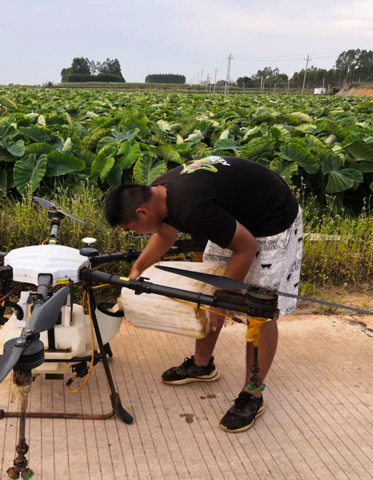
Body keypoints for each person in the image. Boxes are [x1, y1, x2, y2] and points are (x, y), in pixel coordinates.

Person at [104, 155, 303, 433]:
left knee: (259, 312)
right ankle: (202, 365)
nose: (133, 233)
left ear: (141, 212)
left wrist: (221, 303)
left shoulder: (193, 207)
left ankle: (253, 394)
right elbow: (165, 235)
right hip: (235, 217)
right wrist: (137, 268)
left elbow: (246, 248)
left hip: (272, 222)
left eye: (131, 229)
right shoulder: (161, 193)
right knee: (207, 294)